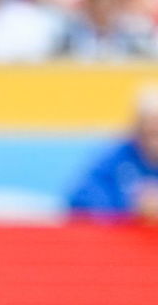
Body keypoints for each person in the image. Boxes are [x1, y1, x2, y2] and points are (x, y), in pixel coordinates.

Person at [66, 85, 158, 221]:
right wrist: (131, 208)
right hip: (125, 238)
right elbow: (80, 203)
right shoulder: (114, 161)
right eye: (151, 130)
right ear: (139, 127)